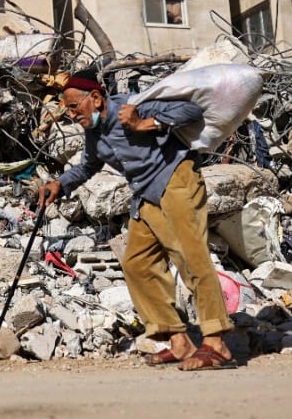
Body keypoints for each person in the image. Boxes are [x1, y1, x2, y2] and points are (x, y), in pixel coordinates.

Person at [38, 75, 237, 370]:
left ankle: (216, 342)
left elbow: (191, 112)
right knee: (137, 263)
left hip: (175, 179)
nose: (71, 113)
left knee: (190, 255)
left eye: (74, 106)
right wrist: (60, 184)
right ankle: (178, 341)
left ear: (95, 98)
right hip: (146, 192)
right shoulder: (94, 134)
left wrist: (146, 124)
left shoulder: (133, 106)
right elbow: (88, 165)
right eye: (67, 110)